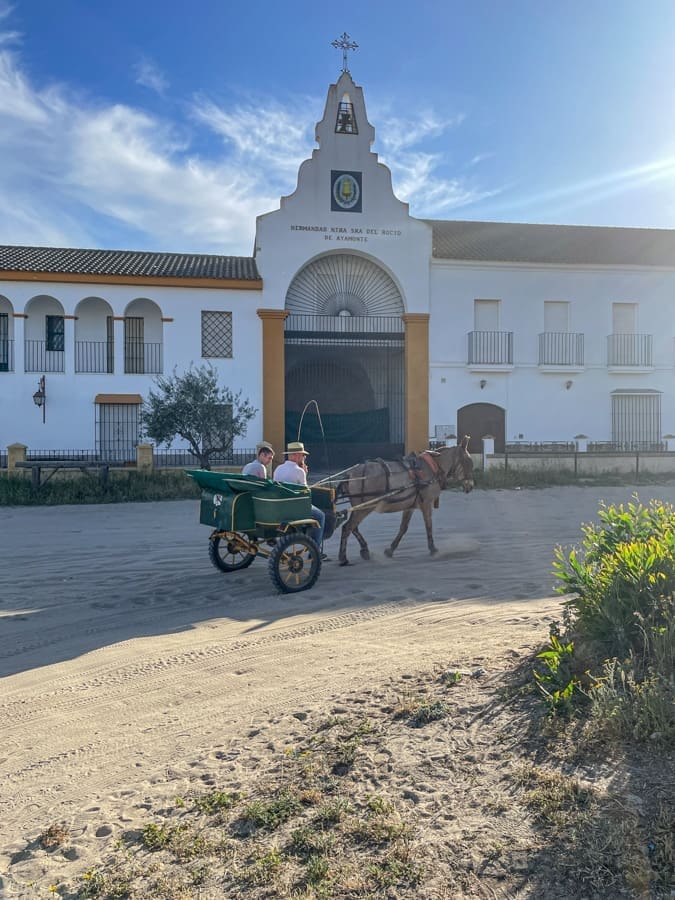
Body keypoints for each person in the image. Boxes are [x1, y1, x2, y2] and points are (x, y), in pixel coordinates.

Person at [273, 441, 328, 559]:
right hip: (295, 508)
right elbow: (306, 493)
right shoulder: (299, 471)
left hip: (279, 507)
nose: (304, 457)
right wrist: (305, 473)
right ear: (296, 455)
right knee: (321, 516)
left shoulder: (278, 469)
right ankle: (315, 550)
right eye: (303, 455)